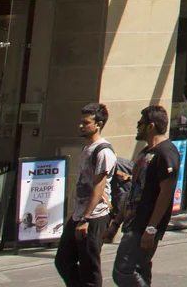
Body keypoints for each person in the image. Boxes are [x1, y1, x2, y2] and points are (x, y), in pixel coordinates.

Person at [111, 106, 178, 287]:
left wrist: (152, 228)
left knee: (123, 270)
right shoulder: (145, 153)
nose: (137, 127)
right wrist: (116, 222)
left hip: (145, 224)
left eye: (140, 123)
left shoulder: (166, 152)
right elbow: (133, 190)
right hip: (133, 221)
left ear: (150, 126)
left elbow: (166, 192)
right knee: (139, 269)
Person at [57, 103, 116, 287]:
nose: (81, 126)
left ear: (98, 124)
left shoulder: (103, 151)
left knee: (89, 267)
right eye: (81, 122)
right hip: (80, 214)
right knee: (63, 261)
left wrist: (86, 218)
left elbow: (99, 187)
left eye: (86, 122)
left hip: (94, 216)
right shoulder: (87, 149)